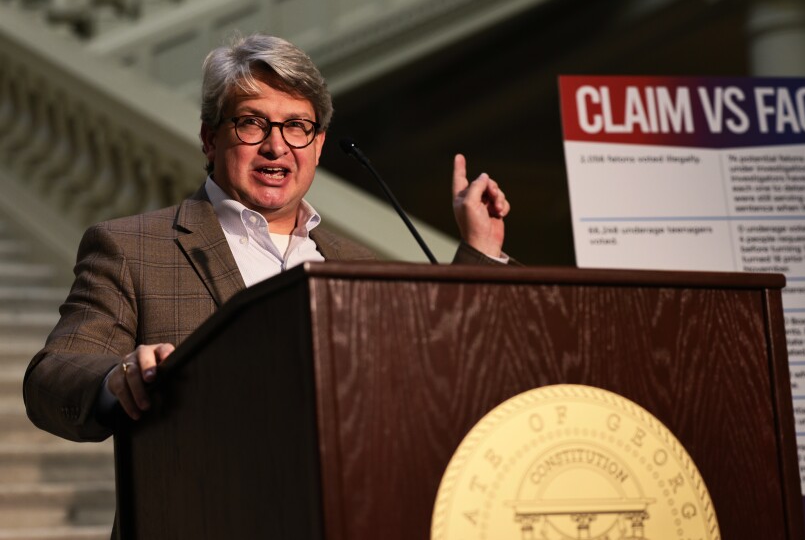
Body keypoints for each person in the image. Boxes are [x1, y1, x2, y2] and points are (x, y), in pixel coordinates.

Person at [23, 34, 511, 442]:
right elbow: (52, 375)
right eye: (253, 122)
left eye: (297, 126)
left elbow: (447, 360)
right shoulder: (133, 248)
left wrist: (482, 252)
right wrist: (118, 379)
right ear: (210, 139)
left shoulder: (354, 261)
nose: (277, 145)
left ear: (318, 146)